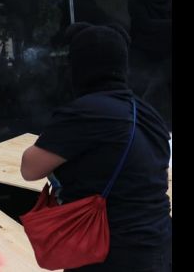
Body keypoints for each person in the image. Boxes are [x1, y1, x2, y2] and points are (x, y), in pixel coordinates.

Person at [20, 23, 171, 271]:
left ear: (79, 67)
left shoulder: (86, 112)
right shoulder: (149, 114)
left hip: (109, 254)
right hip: (158, 247)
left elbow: (29, 168)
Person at [127, 0, 172, 123]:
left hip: (168, 54)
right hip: (142, 54)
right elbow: (146, 25)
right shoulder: (134, 1)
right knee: (142, 93)